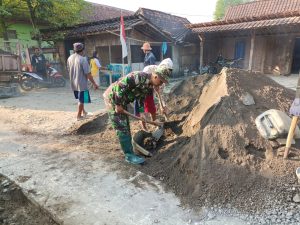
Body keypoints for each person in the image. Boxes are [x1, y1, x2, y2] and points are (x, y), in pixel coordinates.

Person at [103, 66, 171, 165]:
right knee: (121, 127)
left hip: (122, 101)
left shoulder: (148, 86)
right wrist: (117, 104)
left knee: (125, 123)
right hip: (112, 98)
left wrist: (141, 113)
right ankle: (129, 155)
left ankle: (130, 150)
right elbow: (120, 86)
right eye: (161, 82)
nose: (160, 85)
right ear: (156, 76)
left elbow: (140, 99)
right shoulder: (139, 76)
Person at [139, 58, 173, 130]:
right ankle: (144, 128)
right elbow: (142, 89)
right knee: (142, 111)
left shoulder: (164, 77)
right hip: (143, 89)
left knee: (152, 108)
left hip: (150, 91)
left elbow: (160, 94)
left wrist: (163, 105)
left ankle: (155, 123)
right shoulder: (148, 70)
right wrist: (153, 86)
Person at [67, 43, 99, 121]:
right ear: (83, 50)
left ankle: (84, 112)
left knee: (80, 99)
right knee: (82, 100)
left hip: (73, 83)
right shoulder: (83, 59)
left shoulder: (70, 58)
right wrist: (94, 83)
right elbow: (88, 74)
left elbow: (68, 69)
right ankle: (78, 116)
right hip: (81, 83)